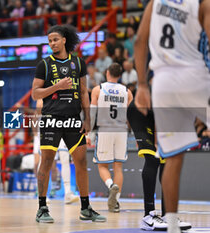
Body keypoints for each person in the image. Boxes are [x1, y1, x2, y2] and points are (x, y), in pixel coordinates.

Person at [134, 1, 210, 232]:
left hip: (163, 82)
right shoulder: (201, 3)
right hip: (196, 76)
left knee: (173, 159)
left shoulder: (154, 4)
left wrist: (141, 84)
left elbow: (139, 42)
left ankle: (173, 225)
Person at [32, 24, 106, 223]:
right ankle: (42, 207)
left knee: (81, 162)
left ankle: (85, 207)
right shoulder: (44, 65)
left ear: (64, 40)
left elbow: (83, 92)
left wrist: (88, 119)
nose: (52, 43)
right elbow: (35, 93)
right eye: (49, 41)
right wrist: (57, 86)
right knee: (46, 162)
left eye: (55, 39)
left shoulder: (78, 63)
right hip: (51, 119)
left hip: (74, 119)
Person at [128, 98, 191, 231]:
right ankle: (148, 216)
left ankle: (167, 215)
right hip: (140, 111)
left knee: (167, 163)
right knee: (153, 158)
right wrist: (157, 142)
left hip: (155, 114)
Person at [90, 63, 133, 213]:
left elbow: (92, 114)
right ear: (120, 75)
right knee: (118, 167)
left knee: (102, 166)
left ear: (107, 72)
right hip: (121, 130)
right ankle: (116, 202)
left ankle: (110, 186)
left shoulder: (98, 89)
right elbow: (131, 116)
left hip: (105, 130)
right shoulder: (127, 91)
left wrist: (89, 133)